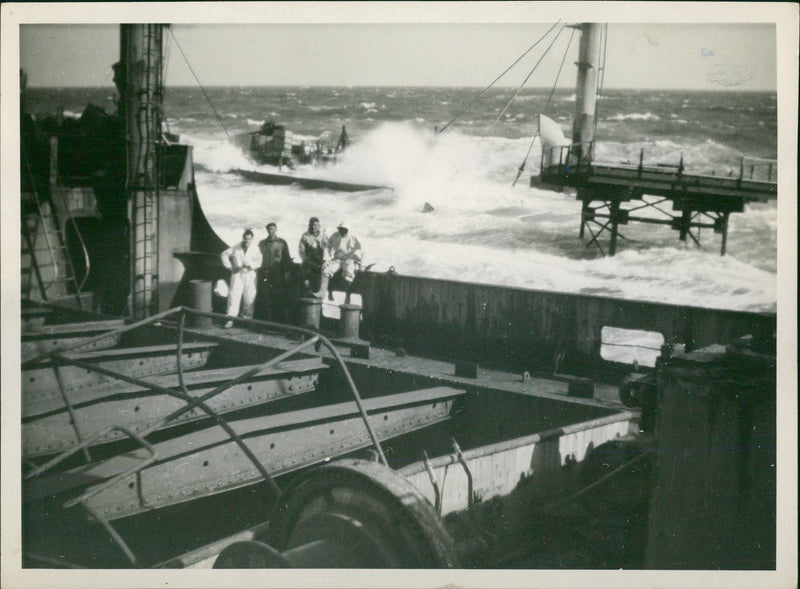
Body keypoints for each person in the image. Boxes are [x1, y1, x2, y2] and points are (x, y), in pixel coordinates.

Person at [313, 220, 363, 304]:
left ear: (347, 229)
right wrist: (326, 259)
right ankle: (322, 293)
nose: (342, 231)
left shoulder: (354, 236)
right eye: (340, 229)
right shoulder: (335, 235)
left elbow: (364, 249)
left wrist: (362, 263)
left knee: (349, 274)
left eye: (344, 229)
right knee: (326, 270)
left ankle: (347, 297)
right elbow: (327, 246)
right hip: (337, 259)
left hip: (349, 259)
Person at [220, 229, 262, 328]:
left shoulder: (255, 249)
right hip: (237, 274)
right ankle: (230, 319)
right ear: (243, 238)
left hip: (250, 274)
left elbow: (259, 262)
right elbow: (224, 254)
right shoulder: (236, 247)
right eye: (245, 238)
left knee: (249, 297)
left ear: (252, 239)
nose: (247, 241)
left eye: (249, 239)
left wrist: (251, 265)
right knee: (234, 296)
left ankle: (247, 319)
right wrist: (229, 266)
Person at [257, 222, 292, 321]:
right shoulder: (261, 243)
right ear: (267, 230)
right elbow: (257, 258)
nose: (271, 231)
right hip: (265, 273)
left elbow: (286, 259)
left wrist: (287, 273)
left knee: (279, 297)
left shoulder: (282, 243)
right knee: (266, 298)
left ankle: (279, 321)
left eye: (272, 229)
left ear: (276, 229)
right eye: (269, 229)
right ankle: (268, 320)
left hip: (277, 274)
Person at [298, 216, 325, 293]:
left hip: (320, 260)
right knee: (307, 271)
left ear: (319, 225)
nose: (313, 227)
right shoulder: (305, 236)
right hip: (309, 261)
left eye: (315, 225)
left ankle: (319, 292)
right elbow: (301, 250)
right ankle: (308, 290)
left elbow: (328, 248)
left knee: (322, 272)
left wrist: (325, 260)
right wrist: (305, 259)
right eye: (312, 225)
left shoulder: (323, 235)